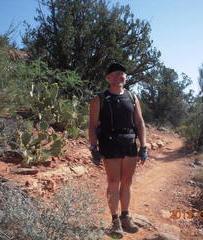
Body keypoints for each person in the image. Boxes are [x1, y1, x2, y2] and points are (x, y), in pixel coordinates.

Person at [88, 62, 148, 238]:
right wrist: (94, 148)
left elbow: (140, 122)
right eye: (115, 74)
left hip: (129, 143)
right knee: (113, 182)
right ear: (108, 78)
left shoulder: (132, 96)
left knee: (127, 181)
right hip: (109, 143)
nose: (119, 76)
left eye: (122, 74)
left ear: (126, 78)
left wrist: (143, 146)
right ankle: (114, 220)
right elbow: (92, 125)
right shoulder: (100, 98)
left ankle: (125, 216)